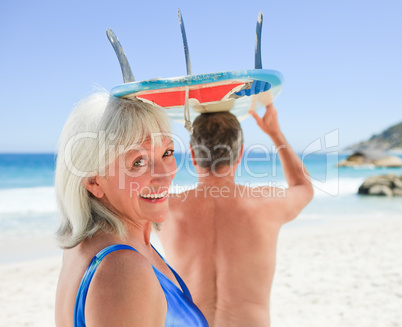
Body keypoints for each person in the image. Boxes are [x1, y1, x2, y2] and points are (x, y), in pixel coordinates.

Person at [54, 92, 208, 327]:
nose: (165, 175)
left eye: (167, 152)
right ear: (94, 181)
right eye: (138, 161)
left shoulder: (86, 247)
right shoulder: (123, 270)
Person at [157, 103, 314, 326]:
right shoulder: (266, 203)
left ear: (192, 155)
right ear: (239, 154)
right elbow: (303, 187)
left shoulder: (164, 208)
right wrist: (274, 133)